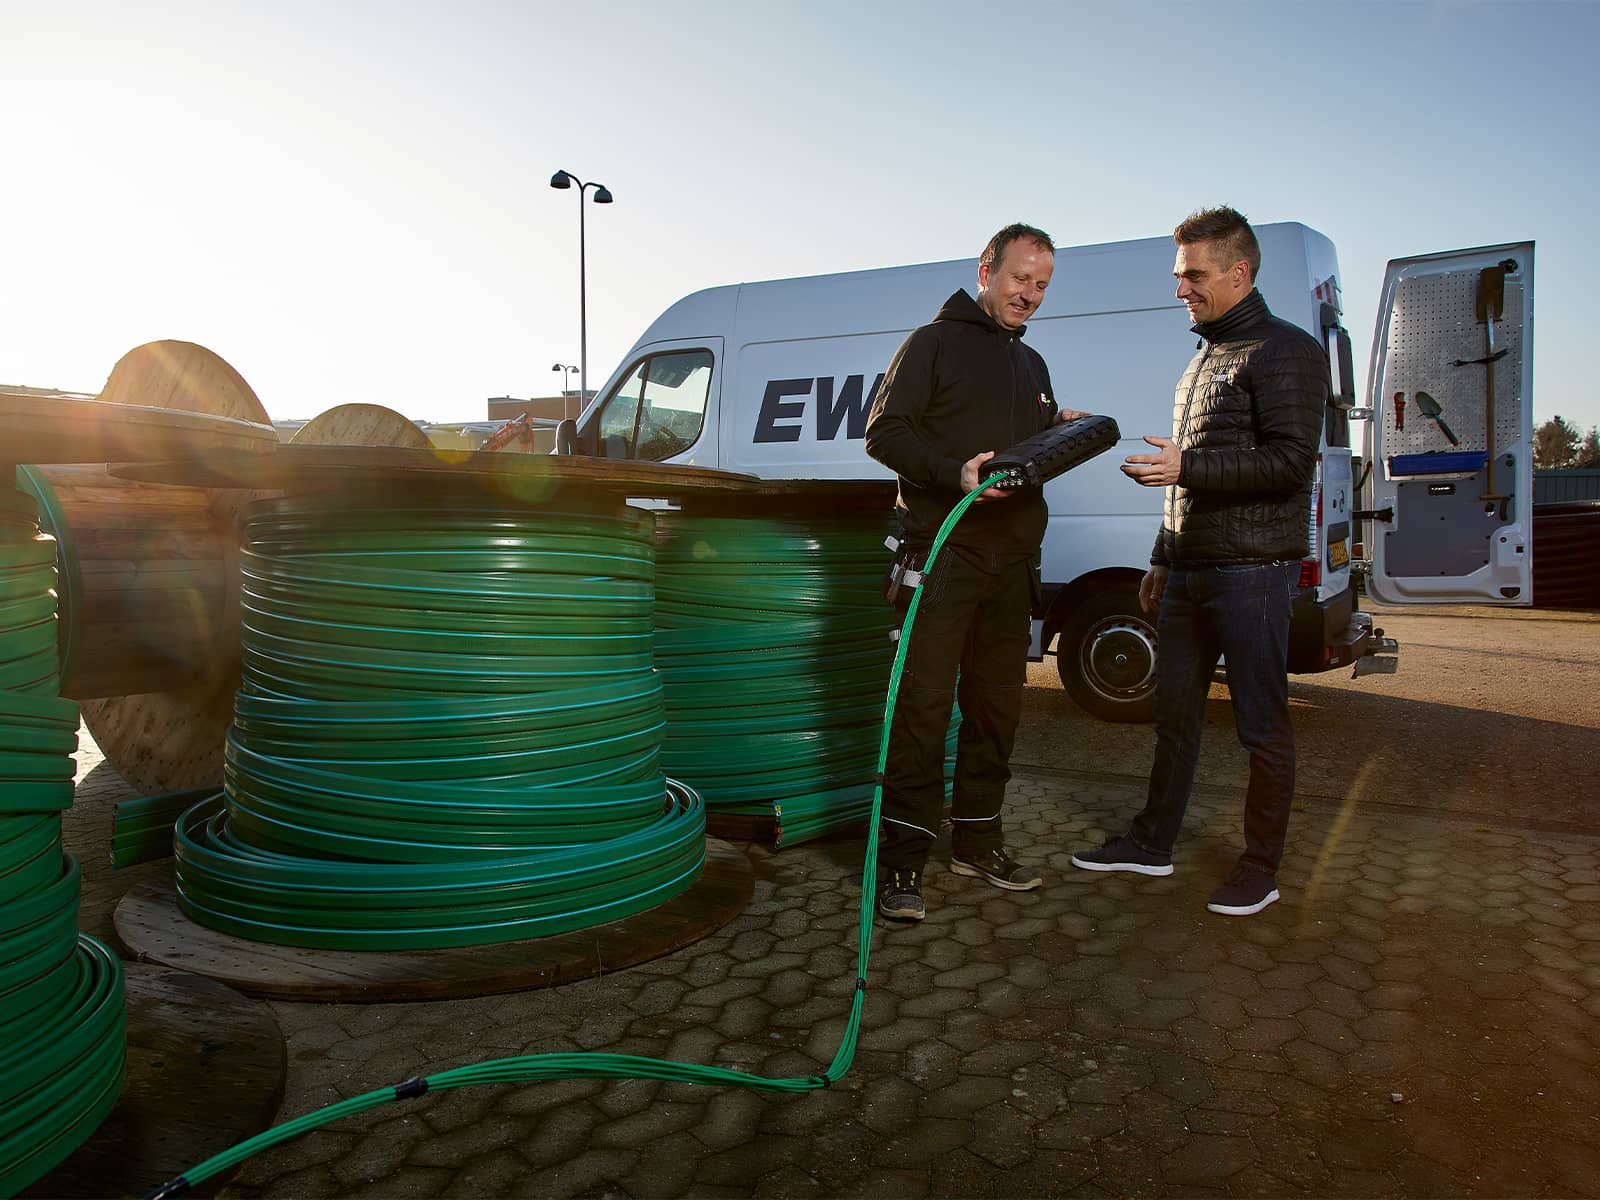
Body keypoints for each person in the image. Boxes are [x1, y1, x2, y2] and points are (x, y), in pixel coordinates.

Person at [1070, 206, 1327, 917]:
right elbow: (1181, 474)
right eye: (1179, 274)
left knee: (1260, 727)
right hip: (1189, 571)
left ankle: (1260, 869)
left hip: (1253, 572)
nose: (1180, 287)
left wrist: (1188, 465)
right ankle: (1152, 843)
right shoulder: (1203, 358)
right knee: (1173, 714)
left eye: (1193, 274)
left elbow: (1290, 462)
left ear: (1239, 273)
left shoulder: (1288, 351)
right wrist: (1161, 558)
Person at [865, 222, 1085, 922]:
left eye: (1042, 284)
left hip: (1010, 565)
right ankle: (902, 864)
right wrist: (952, 474)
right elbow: (883, 432)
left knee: (996, 712)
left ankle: (978, 843)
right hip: (942, 558)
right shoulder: (932, 343)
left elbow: (1020, 459)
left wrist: (1059, 432)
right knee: (923, 711)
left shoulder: (1032, 364)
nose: (1030, 294)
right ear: (986, 270)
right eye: (1020, 278)